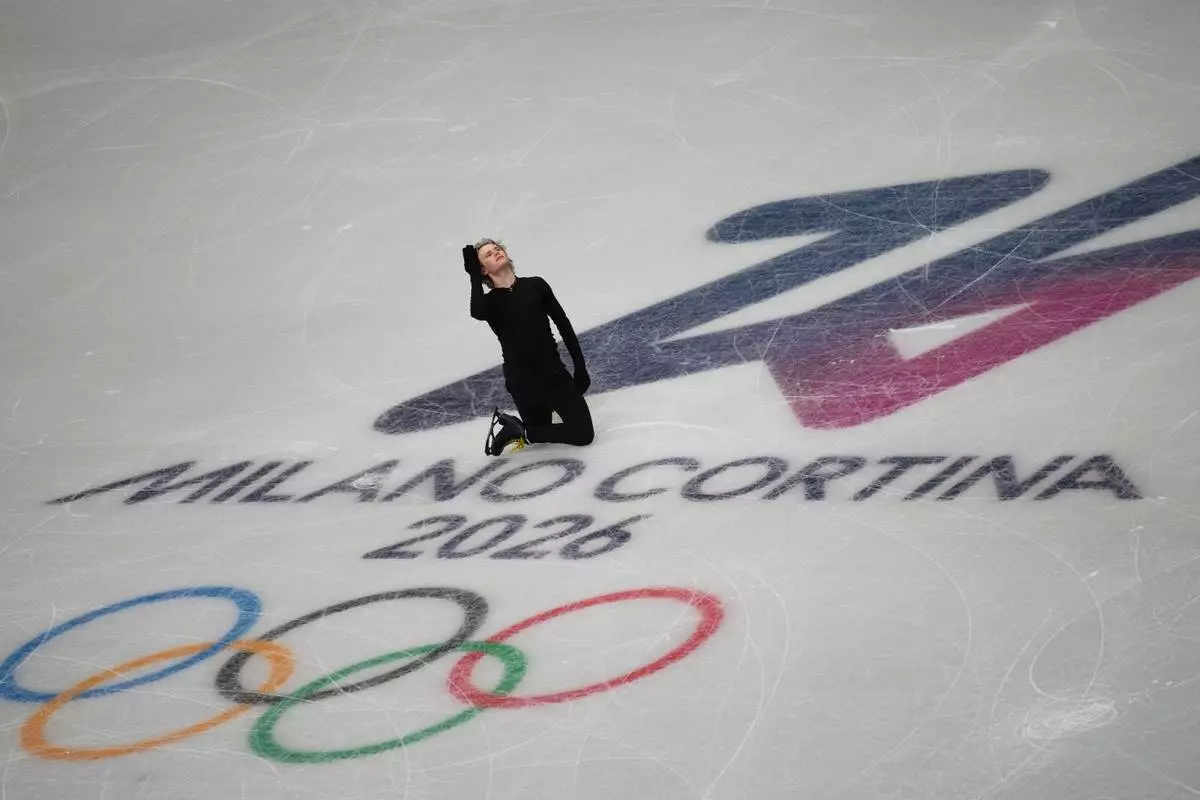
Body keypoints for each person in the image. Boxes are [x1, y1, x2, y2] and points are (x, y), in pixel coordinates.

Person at [463, 239, 595, 455]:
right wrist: (473, 278)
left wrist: (580, 367)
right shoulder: (490, 303)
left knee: (583, 434)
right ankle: (522, 429)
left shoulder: (536, 285)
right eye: (488, 254)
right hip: (523, 384)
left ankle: (520, 430)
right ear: (483, 270)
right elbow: (477, 312)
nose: (496, 252)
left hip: (554, 376)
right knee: (541, 425)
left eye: (497, 248)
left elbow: (564, 326)